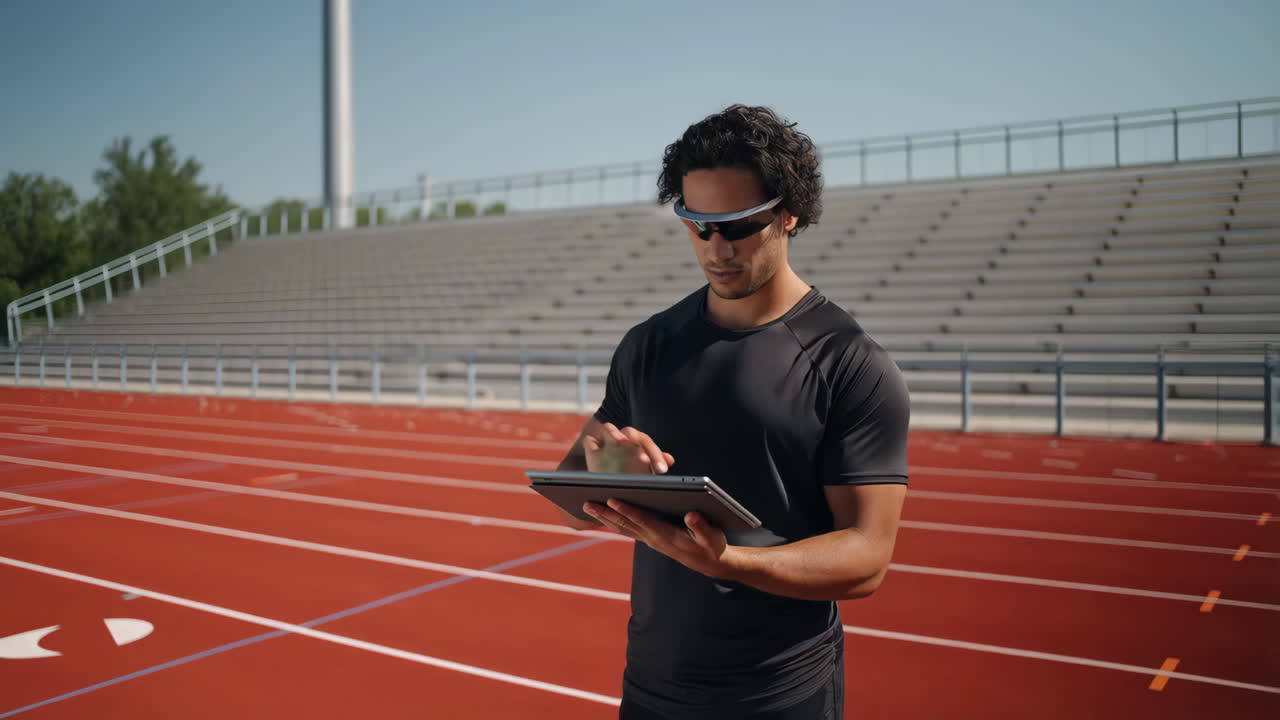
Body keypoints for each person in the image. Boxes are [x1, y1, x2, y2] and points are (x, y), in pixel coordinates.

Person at [555, 104, 911, 719]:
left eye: (738, 224)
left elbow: (865, 559)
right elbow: (574, 503)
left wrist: (727, 562)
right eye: (696, 223)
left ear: (789, 213)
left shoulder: (849, 363)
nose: (715, 246)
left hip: (780, 695)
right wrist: (614, 466)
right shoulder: (649, 344)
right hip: (651, 688)